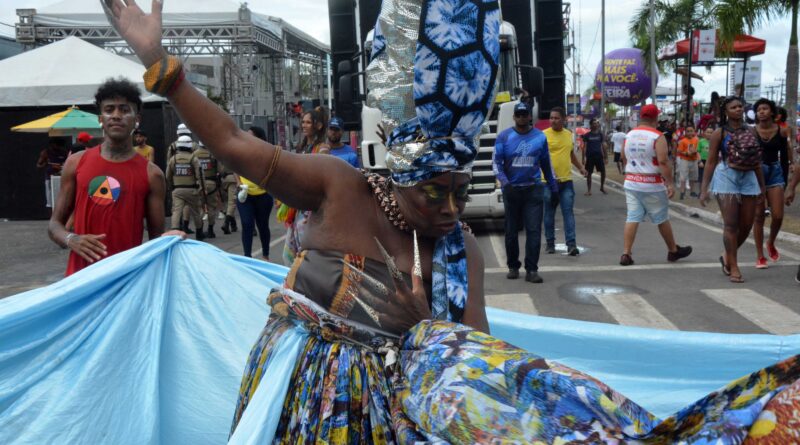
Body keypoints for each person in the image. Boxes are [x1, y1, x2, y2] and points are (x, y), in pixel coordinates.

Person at [101, 2, 800, 442]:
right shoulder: (336, 188)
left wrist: (422, 329)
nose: (447, 207)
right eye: (430, 193)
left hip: (399, 419)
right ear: (394, 177)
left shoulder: (460, 245)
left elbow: (484, 365)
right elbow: (233, 144)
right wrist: (161, 66)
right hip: (303, 404)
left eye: (456, 190)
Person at [47, 77, 173, 276]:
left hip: (125, 280)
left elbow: (157, 239)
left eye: (124, 110)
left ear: (137, 119)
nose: (116, 115)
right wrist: (72, 239)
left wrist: (173, 239)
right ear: (100, 119)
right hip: (80, 279)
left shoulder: (152, 174)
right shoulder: (76, 163)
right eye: (109, 109)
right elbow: (54, 226)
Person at [700, 96, 766, 283]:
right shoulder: (719, 133)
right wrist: (704, 189)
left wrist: (761, 187)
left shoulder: (752, 132)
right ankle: (734, 266)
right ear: (726, 112)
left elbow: (757, 161)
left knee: (746, 225)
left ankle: (727, 256)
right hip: (727, 176)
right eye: (733, 107)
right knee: (731, 224)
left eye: (740, 106)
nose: (738, 109)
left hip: (749, 178)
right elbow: (711, 161)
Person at [619, 104, 692, 266]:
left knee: (632, 217)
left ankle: (626, 253)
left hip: (631, 182)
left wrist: (633, 170)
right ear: (655, 118)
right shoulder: (657, 136)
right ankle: (673, 250)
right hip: (652, 184)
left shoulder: (629, 135)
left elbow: (623, 157)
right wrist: (670, 183)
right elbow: (663, 162)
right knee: (661, 218)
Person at [493, 101, 558, 283]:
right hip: (511, 191)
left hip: (533, 190)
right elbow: (496, 163)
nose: (522, 117)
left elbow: (546, 164)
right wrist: (505, 183)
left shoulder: (539, 137)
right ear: (514, 117)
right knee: (511, 232)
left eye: (525, 114)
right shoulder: (503, 137)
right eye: (519, 114)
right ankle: (513, 266)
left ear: (530, 116)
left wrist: (554, 188)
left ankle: (532, 270)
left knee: (534, 231)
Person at [279, 106, 329, 265]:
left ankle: (303, 285)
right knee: (288, 255)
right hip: (298, 206)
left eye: (308, 122)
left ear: (318, 126)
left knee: (305, 253)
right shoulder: (301, 148)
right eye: (303, 122)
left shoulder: (323, 149)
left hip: (311, 208)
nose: (304, 125)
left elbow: (319, 177)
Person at [752, 98, 791, 269]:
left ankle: (771, 242)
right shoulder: (752, 132)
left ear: (772, 112)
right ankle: (760, 256)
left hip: (775, 172)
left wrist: (786, 182)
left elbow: (785, 158)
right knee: (759, 216)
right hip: (756, 172)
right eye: (759, 109)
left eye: (765, 108)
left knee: (777, 215)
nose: (761, 111)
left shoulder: (781, 131)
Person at [543, 106, 586, 256]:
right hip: (548, 182)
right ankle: (550, 244)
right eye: (551, 118)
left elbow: (571, 154)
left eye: (556, 118)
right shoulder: (543, 136)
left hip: (566, 181)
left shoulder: (569, 134)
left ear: (563, 119)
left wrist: (581, 167)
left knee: (568, 213)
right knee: (549, 214)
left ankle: (571, 245)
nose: (553, 120)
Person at [235, 126, 274, 260]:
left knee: (262, 225)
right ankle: (247, 258)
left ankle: (265, 255)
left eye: (250, 135)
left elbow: (273, 170)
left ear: (259, 138)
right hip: (245, 195)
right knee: (247, 224)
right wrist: (238, 182)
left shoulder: (267, 152)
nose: (246, 137)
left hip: (263, 195)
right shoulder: (240, 151)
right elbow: (234, 166)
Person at [166, 135, 206, 240]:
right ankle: (199, 233)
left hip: (177, 190)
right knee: (196, 212)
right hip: (192, 190)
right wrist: (202, 189)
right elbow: (200, 175)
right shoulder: (193, 158)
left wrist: (171, 187)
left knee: (176, 211)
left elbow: (168, 175)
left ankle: (174, 233)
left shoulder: (173, 159)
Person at [194, 141, 221, 239]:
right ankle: (210, 230)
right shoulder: (213, 154)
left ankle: (199, 230)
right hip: (211, 183)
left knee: (199, 208)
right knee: (211, 207)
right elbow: (220, 170)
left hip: (198, 184)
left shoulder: (194, 154)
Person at [37, 138, 68, 209]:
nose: (57, 147)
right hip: (50, 177)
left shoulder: (64, 152)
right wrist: (46, 164)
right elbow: (38, 165)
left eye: (59, 146)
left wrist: (61, 166)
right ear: (52, 145)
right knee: (50, 198)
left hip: (61, 177)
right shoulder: (45, 152)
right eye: (55, 145)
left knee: (61, 196)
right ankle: (51, 215)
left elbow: (68, 163)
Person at [581, 118, 607, 195]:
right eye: (594, 123)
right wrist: (583, 158)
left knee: (603, 172)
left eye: (596, 123)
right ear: (591, 125)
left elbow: (603, 145)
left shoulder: (600, 134)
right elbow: (584, 147)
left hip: (599, 156)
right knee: (589, 173)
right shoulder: (587, 135)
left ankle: (602, 187)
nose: (596, 125)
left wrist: (606, 157)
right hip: (590, 157)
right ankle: (589, 190)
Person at [675, 124, 700, 199]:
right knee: (683, 177)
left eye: (691, 131)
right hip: (685, 160)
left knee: (693, 177)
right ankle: (682, 192)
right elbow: (679, 150)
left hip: (694, 160)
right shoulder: (683, 141)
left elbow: (698, 150)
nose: (689, 133)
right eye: (688, 131)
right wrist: (686, 153)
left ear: (694, 132)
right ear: (685, 132)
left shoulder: (696, 140)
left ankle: (692, 191)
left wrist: (696, 154)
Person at [219, 160, 239, 235]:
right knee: (232, 203)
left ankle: (233, 224)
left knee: (229, 203)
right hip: (233, 178)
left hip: (223, 180)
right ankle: (226, 224)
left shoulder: (219, 153)